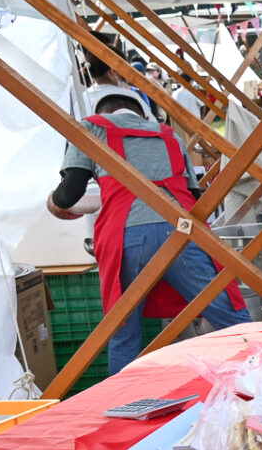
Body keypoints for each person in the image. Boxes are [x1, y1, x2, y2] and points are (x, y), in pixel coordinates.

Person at [45, 87, 248, 374]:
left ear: (103, 112)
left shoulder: (91, 128)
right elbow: (192, 193)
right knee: (231, 319)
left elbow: (69, 193)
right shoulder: (168, 135)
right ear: (143, 115)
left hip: (127, 239)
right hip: (181, 232)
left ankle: (125, 404)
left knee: (123, 333)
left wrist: (54, 205)